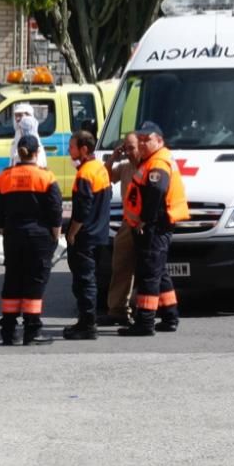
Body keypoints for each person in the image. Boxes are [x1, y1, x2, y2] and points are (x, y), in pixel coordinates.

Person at [118, 121, 190, 336]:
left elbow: (156, 190)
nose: (142, 143)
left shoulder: (158, 161)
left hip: (154, 226)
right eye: (140, 139)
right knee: (160, 272)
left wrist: (144, 220)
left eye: (146, 139)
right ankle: (169, 317)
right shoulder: (154, 159)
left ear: (159, 140)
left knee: (148, 274)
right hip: (158, 225)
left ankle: (145, 322)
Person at [0, 135, 62, 345]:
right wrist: (55, 235)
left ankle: (9, 330)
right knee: (35, 281)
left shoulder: (4, 177)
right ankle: (32, 331)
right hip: (39, 236)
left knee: (12, 279)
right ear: (37, 152)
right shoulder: (46, 178)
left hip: (13, 234)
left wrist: (5, 229)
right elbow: (55, 210)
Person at [63, 129, 111, 340]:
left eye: (72, 146)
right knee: (90, 280)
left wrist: (72, 233)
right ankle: (86, 322)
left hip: (86, 237)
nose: (68, 150)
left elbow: (81, 210)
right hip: (100, 234)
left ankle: (87, 325)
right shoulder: (99, 169)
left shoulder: (85, 174)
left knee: (84, 282)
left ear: (83, 149)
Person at [98, 132, 141, 327]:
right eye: (127, 148)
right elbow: (103, 177)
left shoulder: (149, 167)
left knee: (147, 270)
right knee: (120, 266)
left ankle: (145, 312)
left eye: (132, 147)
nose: (129, 151)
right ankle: (117, 310)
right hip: (127, 224)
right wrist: (113, 157)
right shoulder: (125, 168)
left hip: (145, 224)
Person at [10, 102, 48, 169]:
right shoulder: (18, 132)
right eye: (16, 115)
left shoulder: (31, 135)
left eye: (20, 115)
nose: (17, 118)